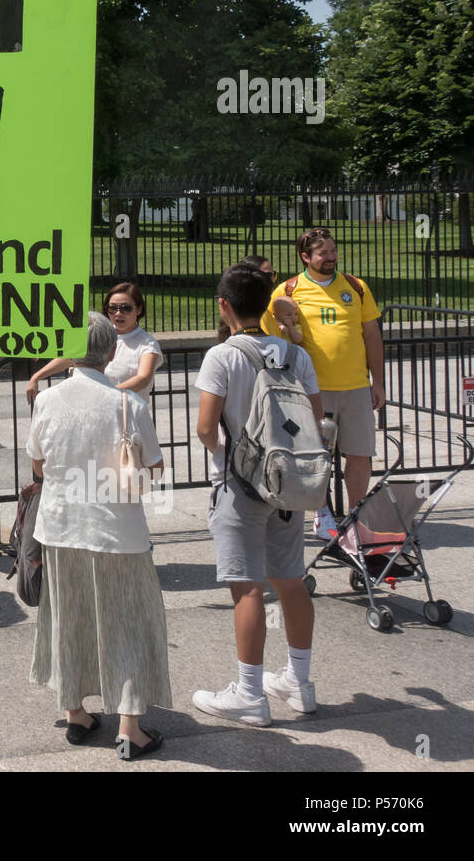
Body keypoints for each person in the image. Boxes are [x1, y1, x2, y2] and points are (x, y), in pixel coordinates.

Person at [26, 312, 170, 760]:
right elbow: (153, 467)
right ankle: (130, 726)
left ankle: (75, 711)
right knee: (127, 622)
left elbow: (38, 465)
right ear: (111, 352)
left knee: (69, 619)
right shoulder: (130, 404)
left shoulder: (48, 402)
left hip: (60, 525)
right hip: (117, 531)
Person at [193, 263, 323, 726]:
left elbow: (207, 428)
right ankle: (300, 683)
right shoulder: (295, 355)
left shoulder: (223, 356)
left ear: (224, 305)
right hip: (288, 484)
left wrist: (228, 452)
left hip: (240, 483)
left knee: (247, 587)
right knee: (290, 580)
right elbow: (316, 416)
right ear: (267, 304)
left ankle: (250, 692)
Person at [261, 229, 383, 513]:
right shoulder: (287, 291)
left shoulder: (356, 286)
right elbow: (273, 340)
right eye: (322, 253)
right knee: (316, 458)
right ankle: (323, 514)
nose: (330, 257)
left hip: (355, 387)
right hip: (313, 390)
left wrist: (378, 383)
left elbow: (372, 335)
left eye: (333, 251)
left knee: (360, 455)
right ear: (306, 257)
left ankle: (356, 516)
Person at [27, 282, 163, 406]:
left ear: (138, 309)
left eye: (126, 308)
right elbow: (71, 357)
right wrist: (36, 377)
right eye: (113, 308)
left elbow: (143, 378)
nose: (118, 313)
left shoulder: (147, 343)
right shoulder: (98, 333)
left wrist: (107, 394)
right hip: (91, 410)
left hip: (127, 415)